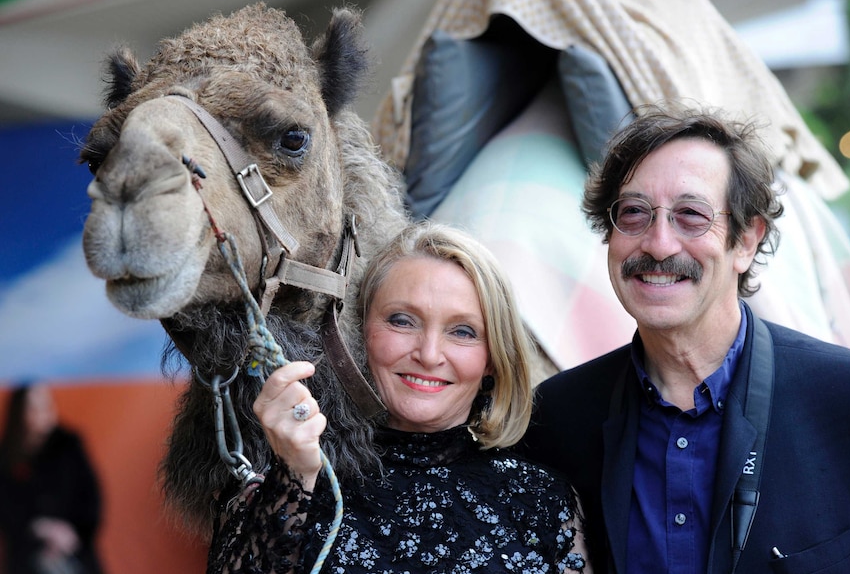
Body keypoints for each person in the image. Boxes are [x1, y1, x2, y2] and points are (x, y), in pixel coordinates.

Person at [519, 102, 850, 574]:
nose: (659, 244)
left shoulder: (848, 399)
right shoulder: (557, 420)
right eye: (635, 213)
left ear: (746, 240)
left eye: (691, 215)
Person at [206, 221, 592, 573]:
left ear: (492, 358)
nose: (428, 353)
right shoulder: (278, 488)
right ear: (360, 332)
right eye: (402, 321)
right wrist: (293, 473)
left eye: (462, 331)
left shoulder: (542, 498)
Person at [0, 383, 104, 574]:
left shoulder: (69, 446)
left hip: (73, 550)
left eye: (47, 405)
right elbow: (6, 509)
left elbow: (91, 497)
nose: (44, 413)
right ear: (19, 413)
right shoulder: (6, 457)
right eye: (35, 407)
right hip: (26, 554)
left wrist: (71, 533)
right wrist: (39, 529)